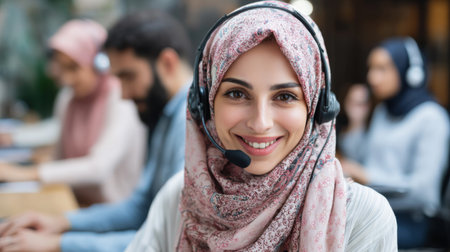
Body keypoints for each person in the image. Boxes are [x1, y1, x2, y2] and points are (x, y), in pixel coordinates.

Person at [126, 2, 397, 251]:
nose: (260, 123)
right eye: (236, 94)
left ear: (317, 109)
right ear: (205, 105)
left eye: (285, 97)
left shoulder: (362, 216)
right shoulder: (179, 198)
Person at [0, 11, 193, 252]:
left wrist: (58, 243)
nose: (123, 94)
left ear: (167, 63)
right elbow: (140, 208)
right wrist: (61, 224)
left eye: (128, 76)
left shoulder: (190, 124)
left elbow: (165, 239)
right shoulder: (167, 115)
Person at [0, 19, 146, 205]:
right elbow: (60, 158)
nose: (67, 78)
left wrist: (23, 174)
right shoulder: (68, 98)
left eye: (74, 68)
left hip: (110, 213)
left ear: (100, 63)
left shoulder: (120, 99)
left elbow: (98, 167)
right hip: (73, 201)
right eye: (62, 68)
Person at [342, 37, 450, 248]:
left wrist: (368, 176)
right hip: (377, 208)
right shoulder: (385, 110)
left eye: (382, 69)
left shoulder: (432, 118)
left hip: (413, 220)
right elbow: (361, 159)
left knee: (343, 234)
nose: (371, 77)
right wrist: (356, 122)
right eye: (371, 68)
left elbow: (424, 191)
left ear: (410, 72)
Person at [337, 83, 371, 163]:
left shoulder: (373, 133)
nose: (354, 108)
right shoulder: (339, 130)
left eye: (360, 103)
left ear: (368, 105)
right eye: (351, 102)